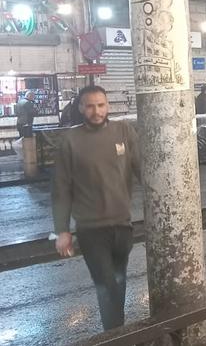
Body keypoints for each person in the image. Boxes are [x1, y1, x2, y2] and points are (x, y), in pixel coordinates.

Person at [52, 85, 141, 331]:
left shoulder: (123, 131)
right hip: (91, 228)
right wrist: (62, 230)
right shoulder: (70, 141)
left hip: (122, 225)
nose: (96, 111)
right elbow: (61, 188)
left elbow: (142, 169)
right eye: (90, 106)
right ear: (81, 108)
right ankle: (115, 335)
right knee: (105, 283)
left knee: (119, 279)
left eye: (101, 105)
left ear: (107, 105)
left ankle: (117, 330)